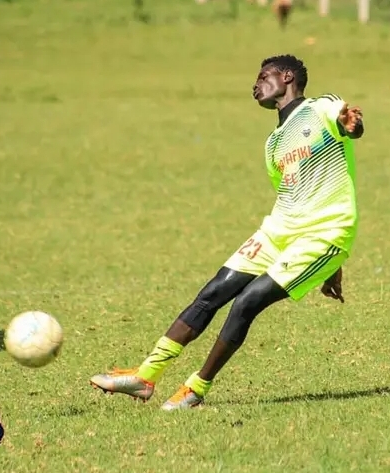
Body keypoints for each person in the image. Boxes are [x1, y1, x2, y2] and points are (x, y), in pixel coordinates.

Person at [90, 54, 364, 411]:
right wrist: (329, 269)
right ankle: (145, 377)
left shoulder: (320, 108)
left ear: (287, 76)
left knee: (247, 301)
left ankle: (195, 388)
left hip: (326, 232)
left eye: (263, 76)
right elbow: (292, 192)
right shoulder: (274, 144)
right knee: (213, 292)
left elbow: (348, 123)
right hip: (280, 228)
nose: (255, 84)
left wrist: (351, 122)